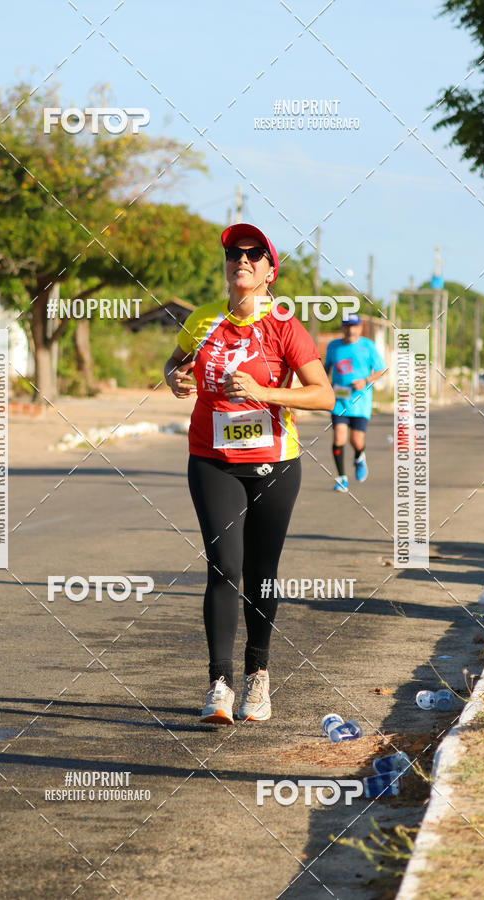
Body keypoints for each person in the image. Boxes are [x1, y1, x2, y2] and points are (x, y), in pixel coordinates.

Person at [163, 223, 335, 725]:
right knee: (224, 566)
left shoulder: (285, 325)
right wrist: (175, 378)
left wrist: (267, 394)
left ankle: (258, 675)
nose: (242, 259)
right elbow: (175, 364)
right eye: (234, 254)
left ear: (268, 271)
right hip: (212, 459)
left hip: (275, 464)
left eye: (253, 253)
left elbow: (323, 396)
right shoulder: (202, 321)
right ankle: (219, 685)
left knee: (261, 574)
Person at [324, 314, 386, 492]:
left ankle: (359, 458)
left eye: (354, 326)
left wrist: (365, 380)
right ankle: (342, 478)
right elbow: (325, 368)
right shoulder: (333, 346)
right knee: (339, 437)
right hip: (339, 401)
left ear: (360, 328)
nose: (351, 330)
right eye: (347, 326)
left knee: (356, 441)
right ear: (342, 328)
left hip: (360, 402)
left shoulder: (367, 346)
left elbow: (381, 370)